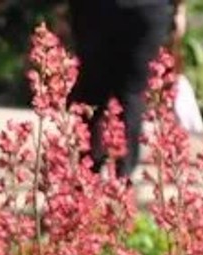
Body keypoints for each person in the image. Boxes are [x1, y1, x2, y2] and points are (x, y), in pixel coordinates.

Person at [68, 0, 186, 177]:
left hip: (97, 10)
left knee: (93, 91)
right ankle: (123, 176)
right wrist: (179, 8)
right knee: (132, 94)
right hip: (148, 10)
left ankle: (86, 174)